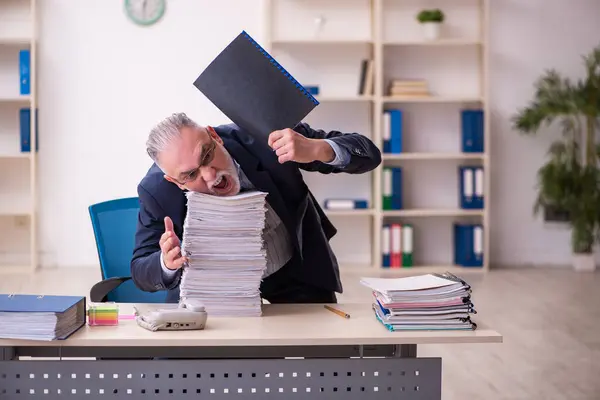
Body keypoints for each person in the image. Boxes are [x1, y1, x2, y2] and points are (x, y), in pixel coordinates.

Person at [130, 112, 381, 304]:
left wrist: (317, 149)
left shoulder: (264, 137)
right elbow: (140, 268)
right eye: (191, 174)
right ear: (175, 181)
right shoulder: (156, 191)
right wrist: (166, 262)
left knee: (327, 359)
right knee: (184, 369)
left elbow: (369, 153)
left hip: (294, 271)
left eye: (207, 155)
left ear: (214, 137)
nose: (209, 175)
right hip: (214, 288)